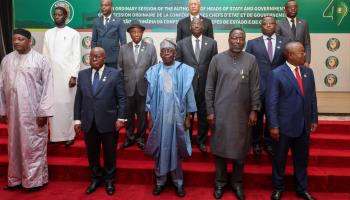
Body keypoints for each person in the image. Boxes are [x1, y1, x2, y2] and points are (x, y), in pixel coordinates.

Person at [205, 28, 260, 200]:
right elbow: (209, 88)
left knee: (240, 151)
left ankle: (237, 183)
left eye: (241, 38)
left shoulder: (251, 60)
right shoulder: (217, 59)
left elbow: (255, 88)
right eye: (234, 38)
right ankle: (220, 182)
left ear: (244, 41)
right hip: (220, 114)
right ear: (229, 40)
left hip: (243, 115)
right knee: (220, 149)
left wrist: (254, 110)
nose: (237, 41)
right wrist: (210, 111)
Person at [0, 29, 54, 190]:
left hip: (34, 113)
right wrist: (2, 110)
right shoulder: (7, 60)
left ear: (30, 41)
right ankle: (15, 179)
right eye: (14, 39)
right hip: (13, 112)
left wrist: (44, 112)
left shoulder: (41, 60)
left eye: (21, 39)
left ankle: (35, 181)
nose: (16, 42)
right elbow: (1, 86)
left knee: (33, 146)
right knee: (14, 145)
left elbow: (48, 88)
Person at [145, 39, 197, 197]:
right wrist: (149, 116)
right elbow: (149, 96)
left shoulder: (184, 70)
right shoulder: (153, 71)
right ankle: (160, 182)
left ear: (175, 53)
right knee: (161, 149)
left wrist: (189, 116)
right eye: (164, 51)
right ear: (160, 54)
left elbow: (189, 94)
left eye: (170, 51)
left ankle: (178, 182)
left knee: (176, 149)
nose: (166, 53)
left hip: (177, 118)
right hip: (159, 118)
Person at [266, 42, 318, 200]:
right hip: (283, 127)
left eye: (304, 51)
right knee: (279, 160)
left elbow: (312, 98)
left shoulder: (308, 72)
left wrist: (314, 118)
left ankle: (302, 189)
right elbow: (271, 102)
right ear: (290, 55)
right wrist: (273, 125)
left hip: (304, 126)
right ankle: (278, 188)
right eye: (301, 52)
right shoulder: (276, 73)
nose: (304, 54)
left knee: (302, 160)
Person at [74, 47, 126, 195]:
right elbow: (79, 99)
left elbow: (122, 98)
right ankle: (95, 178)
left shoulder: (115, 74)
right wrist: (77, 120)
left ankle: (109, 180)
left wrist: (121, 118)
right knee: (92, 153)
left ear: (104, 58)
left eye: (97, 56)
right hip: (88, 122)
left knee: (110, 153)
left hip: (109, 122)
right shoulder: (82, 75)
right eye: (92, 57)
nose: (94, 59)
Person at [245, 16, 289, 157]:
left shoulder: (285, 42)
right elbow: (248, 66)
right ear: (261, 26)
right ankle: (256, 142)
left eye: (271, 23)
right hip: (259, 86)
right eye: (265, 24)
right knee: (257, 115)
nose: (268, 25)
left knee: (273, 115)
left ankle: (269, 142)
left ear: (275, 25)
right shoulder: (252, 43)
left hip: (278, 87)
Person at [176, 18, 217, 152]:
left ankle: (201, 141)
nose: (197, 26)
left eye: (199, 24)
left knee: (203, 116)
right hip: (188, 86)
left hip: (205, 85)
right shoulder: (181, 43)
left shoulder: (212, 43)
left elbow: (213, 64)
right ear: (190, 27)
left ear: (203, 27)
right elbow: (178, 65)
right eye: (194, 24)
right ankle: (186, 141)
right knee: (187, 115)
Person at [43, 6, 81, 147]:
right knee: (54, 106)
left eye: (60, 14)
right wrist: (45, 75)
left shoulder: (73, 33)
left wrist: (73, 75)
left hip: (67, 77)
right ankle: (54, 136)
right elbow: (45, 56)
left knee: (67, 105)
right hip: (52, 76)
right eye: (55, 14)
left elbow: (76, 56)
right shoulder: (48, 33)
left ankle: (70, 135)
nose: (57, 16)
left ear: (66, 17)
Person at [118, 20, 157, 150]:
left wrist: (151, 87)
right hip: (127, 87)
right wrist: (120, 87)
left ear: (142, 33)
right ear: (129, 34)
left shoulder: (150, 48)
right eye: (133, 32)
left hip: (143, 87)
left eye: (138, 32)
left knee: (142, 115)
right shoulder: (123, 48)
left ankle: (140, 138)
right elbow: (119, 69)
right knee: (128, 115)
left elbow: (154, 69)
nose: (136, 34)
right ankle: (129, 138)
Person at [92, 0, 126, 69]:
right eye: (102, 5)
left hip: (114, 58)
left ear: (111, 7)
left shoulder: (118, 21)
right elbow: (94, 41)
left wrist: (122, 57)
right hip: (99, 58)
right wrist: (94, 55)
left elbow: (123, 41)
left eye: (106, 5)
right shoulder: (96, 21)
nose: (103, 7)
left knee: (113, 79)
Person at [276, 0, 311, 67]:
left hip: (300, 61)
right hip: (284, 61)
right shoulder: (279, 24)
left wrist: (307, 61)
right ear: (285, 10)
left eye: (295, 7)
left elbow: (307, 43)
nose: (293, 9)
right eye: (290, 7)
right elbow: (277, 44)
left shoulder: (304, 23)